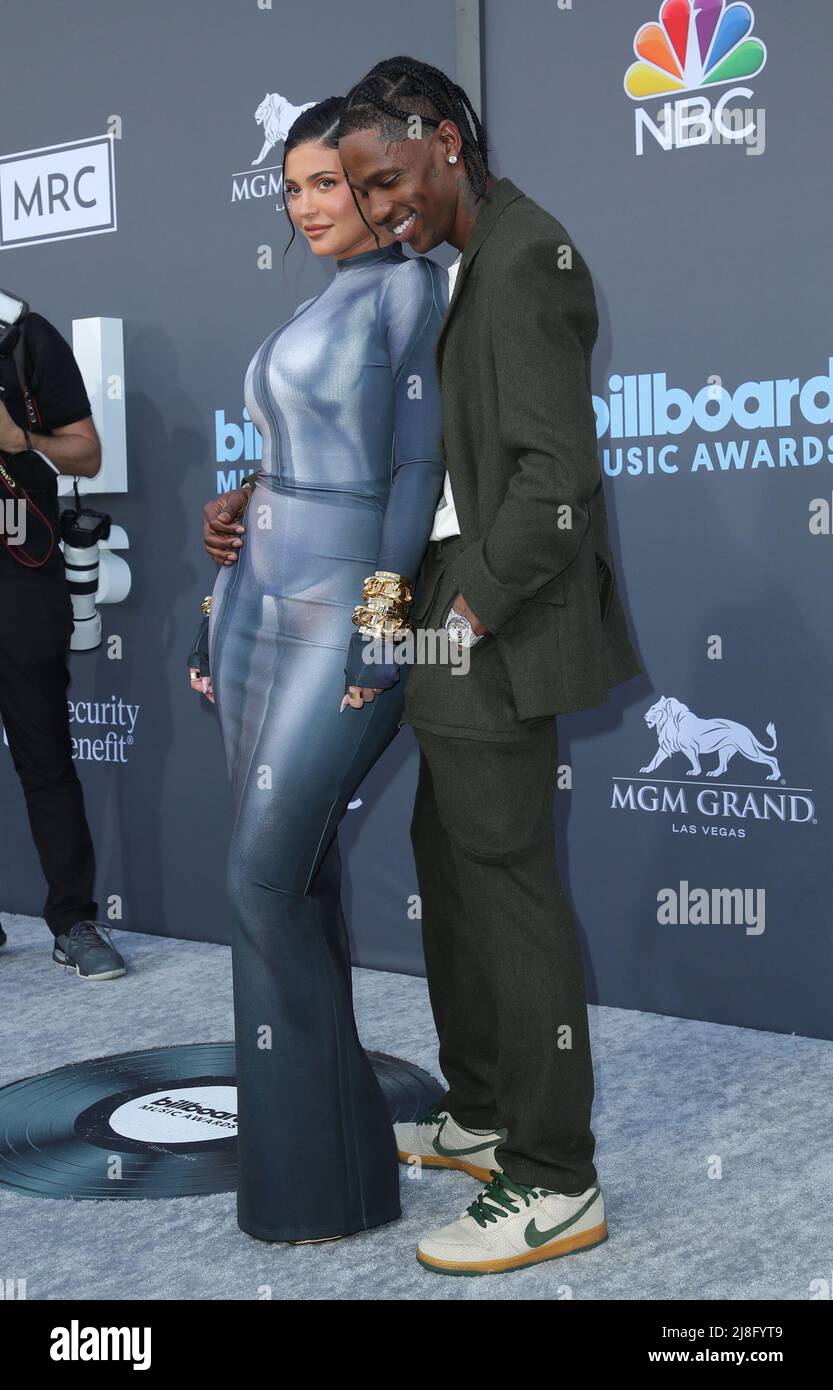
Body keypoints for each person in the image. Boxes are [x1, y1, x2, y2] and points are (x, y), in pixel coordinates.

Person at [336, 56, 643, 1276]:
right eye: (359, 192)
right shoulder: (462, 263)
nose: (377, 209)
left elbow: (554, 482)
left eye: (388, 178)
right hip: (448, 610)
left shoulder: (524, 258)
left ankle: (555, 1176)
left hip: (489, 622)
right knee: (448, 865)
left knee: (507, 892)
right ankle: (479, 1110)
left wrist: (456, 622)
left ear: (449, 141)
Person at [191, 98, 447, 1243]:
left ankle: (322, 1163)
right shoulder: (319, 300)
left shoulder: (410, 290)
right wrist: (232, 522)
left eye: (325, 185)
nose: (303, 207)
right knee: (291, 882)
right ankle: (323, 1171)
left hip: (343, 601)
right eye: (291, 188)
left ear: (375, 183)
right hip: (254, 601)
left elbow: (410, 473)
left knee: (260, 882)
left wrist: (381, 625)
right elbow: (290, 455)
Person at [0, 305, 125, 980]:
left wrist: (19, 439)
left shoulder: (22, 338)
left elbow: (88, 451)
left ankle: (73, 921)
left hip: (19, 563)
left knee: (43, 754)